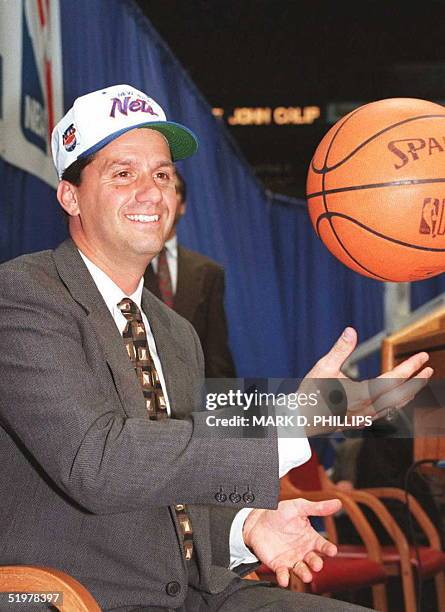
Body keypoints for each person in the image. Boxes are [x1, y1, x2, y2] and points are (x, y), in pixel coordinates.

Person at [0, 84, 432, 612]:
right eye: (123, 173)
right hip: (79, 595)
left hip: (205, 592)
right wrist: (299, 415)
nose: (151, 191)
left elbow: (183, 460)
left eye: (162, 174)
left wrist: (245, 526)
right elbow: (101, 462)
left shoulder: (177, 332)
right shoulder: (23, 298)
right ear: (70, 195)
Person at [144, 170, 236, 378]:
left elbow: (216, 354)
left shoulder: (209, 272)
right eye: (156, 189)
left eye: (170, 189)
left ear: (183, 206)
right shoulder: (122, 267)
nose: (160, 197)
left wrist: (225, 408)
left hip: (190, 401)